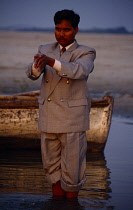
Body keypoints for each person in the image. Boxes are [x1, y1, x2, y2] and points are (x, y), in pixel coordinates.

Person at [26, 9, 96, 199]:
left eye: (66, 30)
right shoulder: (45, 48)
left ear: (76, 30)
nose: (61, 34)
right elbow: (32, 75)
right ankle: (57, 204)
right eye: (58, 29)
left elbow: (79, 71)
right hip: (49, 117)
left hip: (72, 119)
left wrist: (52, 62)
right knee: (51, 169)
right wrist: (36, 66)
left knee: (72, 171)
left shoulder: (86, 52)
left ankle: (71, 205)